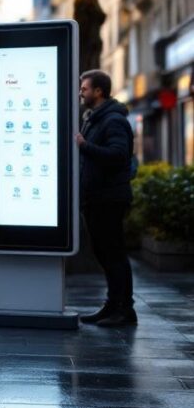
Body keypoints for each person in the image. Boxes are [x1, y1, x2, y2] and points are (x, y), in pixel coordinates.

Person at [75, 69, 136, 327]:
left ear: (99, 91)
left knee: (114, 253)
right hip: (96, 197)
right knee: (104, 252)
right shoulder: (94, 118)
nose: (81, 92)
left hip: (109, 198)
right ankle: (112, 305)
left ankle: (124, 309)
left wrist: (84, 145)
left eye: (85, 88)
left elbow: (118, 155)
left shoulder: (113, 120)